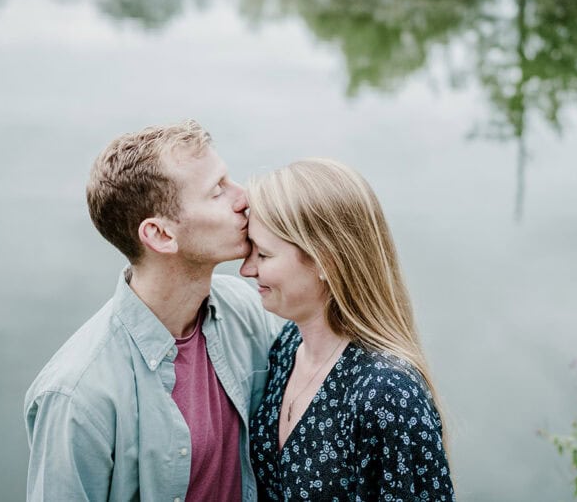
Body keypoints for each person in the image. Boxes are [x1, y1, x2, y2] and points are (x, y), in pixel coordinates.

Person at [24, 121, 282, 502]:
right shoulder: (77, 395)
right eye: (217, 191)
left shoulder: (250, 309)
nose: (244, 197)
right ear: (160, 235)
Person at [239, 158, 455, 501]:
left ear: (325, 261)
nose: (246, 269)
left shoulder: (388, 394)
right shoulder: (288, 346)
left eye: (263, 255)